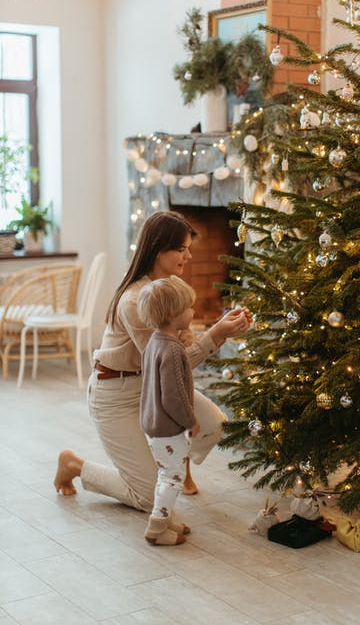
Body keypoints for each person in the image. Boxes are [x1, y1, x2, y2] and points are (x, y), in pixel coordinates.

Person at [54, 210, 251, 512]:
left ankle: (176, 459)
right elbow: (168, 365)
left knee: (214, 425)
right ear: (160, 250)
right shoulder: (136, 301)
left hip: (151, 388)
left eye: (189, 249)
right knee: (148, 497)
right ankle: (76, 466)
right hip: (115, 394)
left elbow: (181, 350)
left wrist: (221, 331)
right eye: (181, 249)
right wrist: (217, 333)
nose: (187, 256)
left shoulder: (171, 290)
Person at [138, 275, 199, 546]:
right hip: (167, 425)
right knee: (173, 476)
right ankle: (156, 527)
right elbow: (173, 397)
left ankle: (166, 518)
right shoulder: (173, 350)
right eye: (189, 308)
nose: (193, 311)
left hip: (152, 424)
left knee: (166, 473)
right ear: (175, 315)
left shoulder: (155, 341)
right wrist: (190, 420)